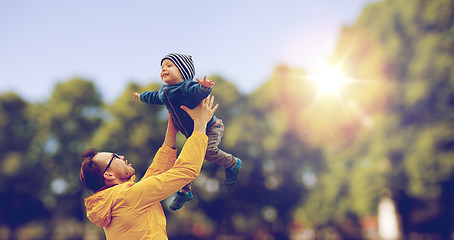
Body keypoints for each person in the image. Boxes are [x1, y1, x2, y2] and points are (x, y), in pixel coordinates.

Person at [80, 96, 218, 240]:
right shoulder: (128, 197)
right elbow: (186, 170)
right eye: (115, 157)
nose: (121, 157)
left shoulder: (118, 200)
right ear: (108, 175)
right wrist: (200, 123)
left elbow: (154, 175)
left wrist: (172, 129)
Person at [131, 53, 242, 211]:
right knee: (182, 161)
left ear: (183, 72)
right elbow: (154, 96)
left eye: (169, 65)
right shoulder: (164, 91)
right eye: (162, 67)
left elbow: (197, 91)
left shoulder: (186, 87)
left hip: (211, 127)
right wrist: (141, 96)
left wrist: (204, 87)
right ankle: (184, 192)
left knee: (208, 152)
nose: (163, 69)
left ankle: (233, 163)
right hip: (193, 134)